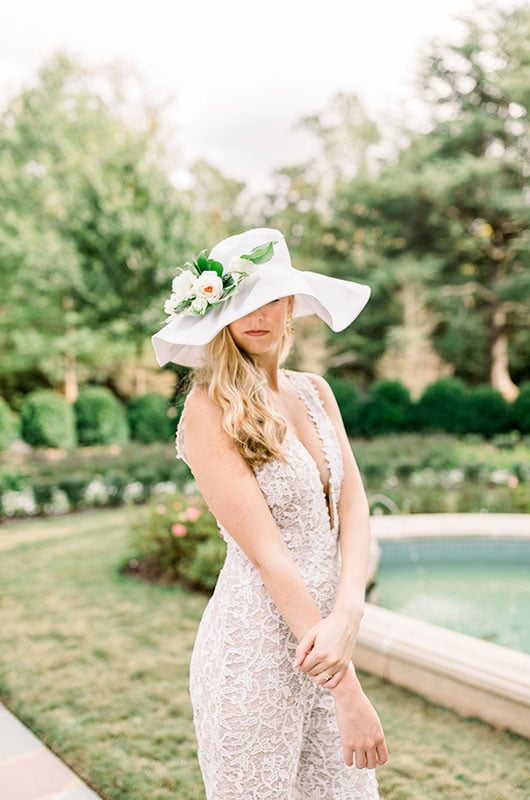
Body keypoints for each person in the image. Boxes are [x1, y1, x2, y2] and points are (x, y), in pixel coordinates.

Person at [151, 228, 388, 800]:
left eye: (269, 299)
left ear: (290, 307)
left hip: (328, 637)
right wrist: (348, 692)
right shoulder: (209, 409)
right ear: (220, 315)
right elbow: (270, 556)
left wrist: (350, 610)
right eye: (239, 302)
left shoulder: (316, 392)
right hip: (254, 652)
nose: (255, 315)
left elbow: (352, 506)